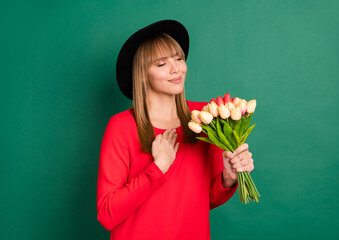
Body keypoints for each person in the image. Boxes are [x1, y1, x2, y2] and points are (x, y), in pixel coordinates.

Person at [96, 20, 254, 240]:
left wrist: (228, 178)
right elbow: (107, 215)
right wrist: (157, 169)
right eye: (161, 64)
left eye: (178, 58)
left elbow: (204, 199)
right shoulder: (121, 126)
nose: (176, 68)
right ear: (142, 74)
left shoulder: (206, 118)